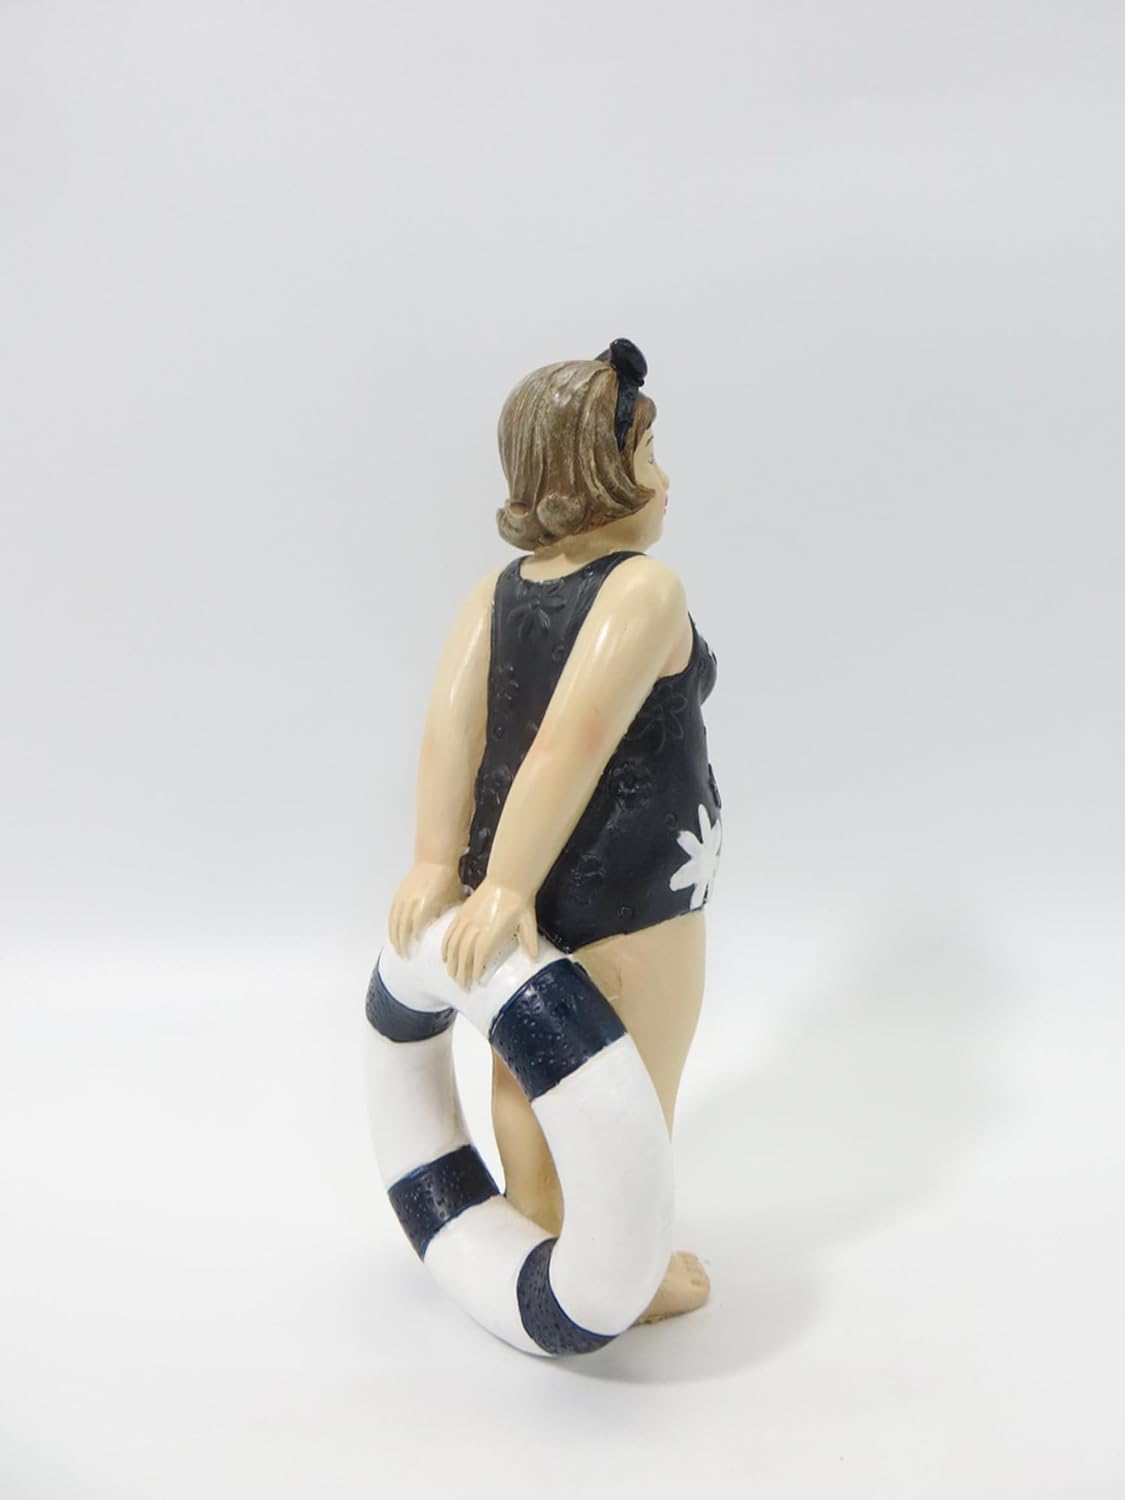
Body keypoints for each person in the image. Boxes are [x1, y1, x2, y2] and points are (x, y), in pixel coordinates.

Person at [387, 340, 721, 1323]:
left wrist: (442, 864)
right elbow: (570, 744)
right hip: (635, 896)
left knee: (524, 1074)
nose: (666, 479)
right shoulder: (643, 590)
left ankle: (537, 1222)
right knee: (633, 1085)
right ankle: (626, 1268)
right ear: (600, 470)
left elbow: (451, 731)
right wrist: (501, 886)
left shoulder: (496, 593)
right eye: (648, 455)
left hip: (521, 898)